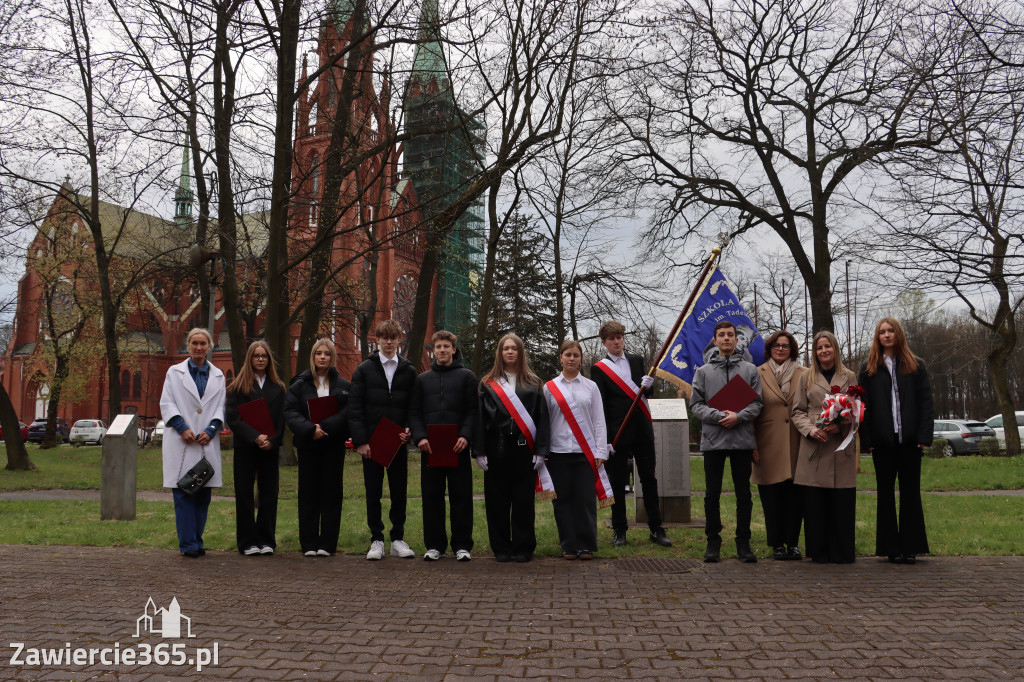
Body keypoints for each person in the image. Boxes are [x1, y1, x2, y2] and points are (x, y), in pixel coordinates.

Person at [859, 317, 933, 565]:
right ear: (877, 337)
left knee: (911, 493)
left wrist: (923, 436)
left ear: (899, 334)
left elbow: (925, 403)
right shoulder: (868, 368)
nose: (887, 335)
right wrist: (866, 438)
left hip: (910, 441)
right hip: (882, 442)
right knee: (885, 494)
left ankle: (911, 547)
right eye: (882, 332)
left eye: (891, 331)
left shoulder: (916, 365)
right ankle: (890, 547)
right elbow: (863, 407)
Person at [591, 320, 672, 548]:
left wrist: (649, 384)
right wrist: (604, 440)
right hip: (617, 433)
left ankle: (656, 528)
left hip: (642, 429)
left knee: (649, 479)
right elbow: (601, 406)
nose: (617, 342)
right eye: (612, 339)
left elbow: (648, 394)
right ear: (604, 342)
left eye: (619, 337)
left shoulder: (636, 360)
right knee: (617, 482)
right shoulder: (599, 369)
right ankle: (619, 529)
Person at [690, 320, 763, 564]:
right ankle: (713, 543)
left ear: (736, 339)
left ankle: (743, 543)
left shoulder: (750, 370)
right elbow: (696, 405)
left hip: (741, 440)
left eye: (730, 335)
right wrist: (719, 416)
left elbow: (757, 403)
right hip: (714, 440)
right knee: (712, 494)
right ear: (715, 340)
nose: (726, 339)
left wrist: (739, 417)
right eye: (721, 335)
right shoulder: (703, 372)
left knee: (744, 495)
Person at [476, 333, 550, 562]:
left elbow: (542, 419)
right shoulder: (487, 383)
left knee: (523, 500)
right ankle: (500, 547)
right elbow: (479, 419)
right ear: (500, 352)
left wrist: (541, 451)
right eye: (505, 348)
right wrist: (479, 451)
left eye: (514, 348)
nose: (509, 352)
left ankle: (523, 547)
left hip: (523, 448)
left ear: (520, 352)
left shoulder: (534, 383)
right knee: (497, 501)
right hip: (496, 448)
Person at [349, 319, 418, 561]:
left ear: (399, 339)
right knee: (373, 492)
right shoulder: (364, 370)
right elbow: (355, 408)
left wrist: (410, 431)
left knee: (399, 491)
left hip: (398, 442)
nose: (389, 342)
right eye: (384, 337)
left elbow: (413, 407)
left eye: (393, 337)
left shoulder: (409, 370)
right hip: (372, 442)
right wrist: (360, 441)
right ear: (377, 339)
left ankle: (397, 538)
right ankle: (376, 539)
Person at [409, 330, 478, 561]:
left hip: (457, 447)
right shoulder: (422, 379)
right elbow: (414, 412)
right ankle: (435, 545)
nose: (442, 350)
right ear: (433, 351)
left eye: (446, 347)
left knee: (462, 497)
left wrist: (466, 436)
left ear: (453, 350)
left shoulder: (467, 377)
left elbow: (472, 411)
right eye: (438, 347)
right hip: (430, 449)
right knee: (431, 498)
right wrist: (420, 437)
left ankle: (462, 546)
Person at [791, 330, 858, 564]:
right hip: (814, 446)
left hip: (840, 446)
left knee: (841, 503)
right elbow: (796, 411)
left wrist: (841, 426)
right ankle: (818, 552)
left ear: (835, 349)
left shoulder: (849, 376)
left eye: (827, 346)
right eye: (819, 348)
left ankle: (842, 551)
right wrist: (810, 429)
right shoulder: (806, 377)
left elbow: (857, 409)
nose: (823, 351)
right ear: (814, 352)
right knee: (815, 503)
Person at [160, 327, 226, 558]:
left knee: (203, 495)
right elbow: (167, 403)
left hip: (205, 442)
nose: (199, 347)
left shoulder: (218, 375)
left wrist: (211, 428)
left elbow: (220, 406)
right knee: (184, 493)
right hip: (182, 442)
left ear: (209, 347)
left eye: (203, 343)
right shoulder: (174, 372)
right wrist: (182, 427)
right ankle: (187, 544)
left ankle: (197, 540)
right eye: (194, 343)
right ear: (188, 345)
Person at [283, 339, 351, 557]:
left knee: (331, 494)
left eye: (327, 354)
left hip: (332, 446)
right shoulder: (299, 385)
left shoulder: (343, 387)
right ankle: (309, 543)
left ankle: (328, 544)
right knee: (308, 494)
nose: (322, 357)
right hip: (308, 445)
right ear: (312, 357)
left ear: (332, 357)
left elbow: (349, 413)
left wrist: (326, 426)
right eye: (318, 353)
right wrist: (310, 429)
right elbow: (291, 412)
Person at [544, 339, 610, 560]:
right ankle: (568, 545)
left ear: (581, 359)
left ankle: (586, 545)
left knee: (584, 500)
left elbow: (599, 421)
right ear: (560, 357)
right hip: (558, 452)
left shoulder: (591, 387)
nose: (572, 359)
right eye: (568, 355)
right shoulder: (549, 387)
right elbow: (544, 422)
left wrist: (601, 451)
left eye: (576, 355)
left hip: (585, 453)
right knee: (562, 501)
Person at [225, 340, 287, 556]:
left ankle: (266, 539)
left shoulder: (278, 388)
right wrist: (255, 437)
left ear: (269, 359)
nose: (260, 359)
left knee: (269, 493)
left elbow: (281, 419)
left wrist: (273, 439)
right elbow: (233, 418)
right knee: (244, 493)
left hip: (269, 448)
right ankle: (247, 541)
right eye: (256, 356)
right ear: (249, 359)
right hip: (246, 446)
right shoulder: (236, 387)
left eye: (264, 356)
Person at [752, 330, 806, 561]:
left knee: (796, 497)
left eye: (785, 345)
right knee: (771, 497)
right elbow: (750, 410)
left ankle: (793, 543)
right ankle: (776, 544)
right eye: (776, 345)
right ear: (769, 349)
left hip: (798, 442)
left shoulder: (805, 373)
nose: (781, 349)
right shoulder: (757, 373)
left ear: (792, 349)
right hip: (767, 443)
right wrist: (751, 443)